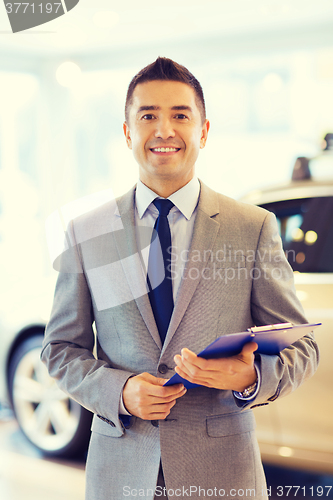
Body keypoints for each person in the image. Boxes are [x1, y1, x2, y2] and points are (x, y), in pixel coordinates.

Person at [41, 57, 319, 500]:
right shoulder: (86, 232)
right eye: (148, 115)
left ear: (204, 131)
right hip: (120, 473)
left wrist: (249, 377)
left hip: (223, 474)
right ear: (128, 132)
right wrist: (120, 391)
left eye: (180, 116)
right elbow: (59, 349)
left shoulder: (252, 227)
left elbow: (302, 346)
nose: (164, 130)